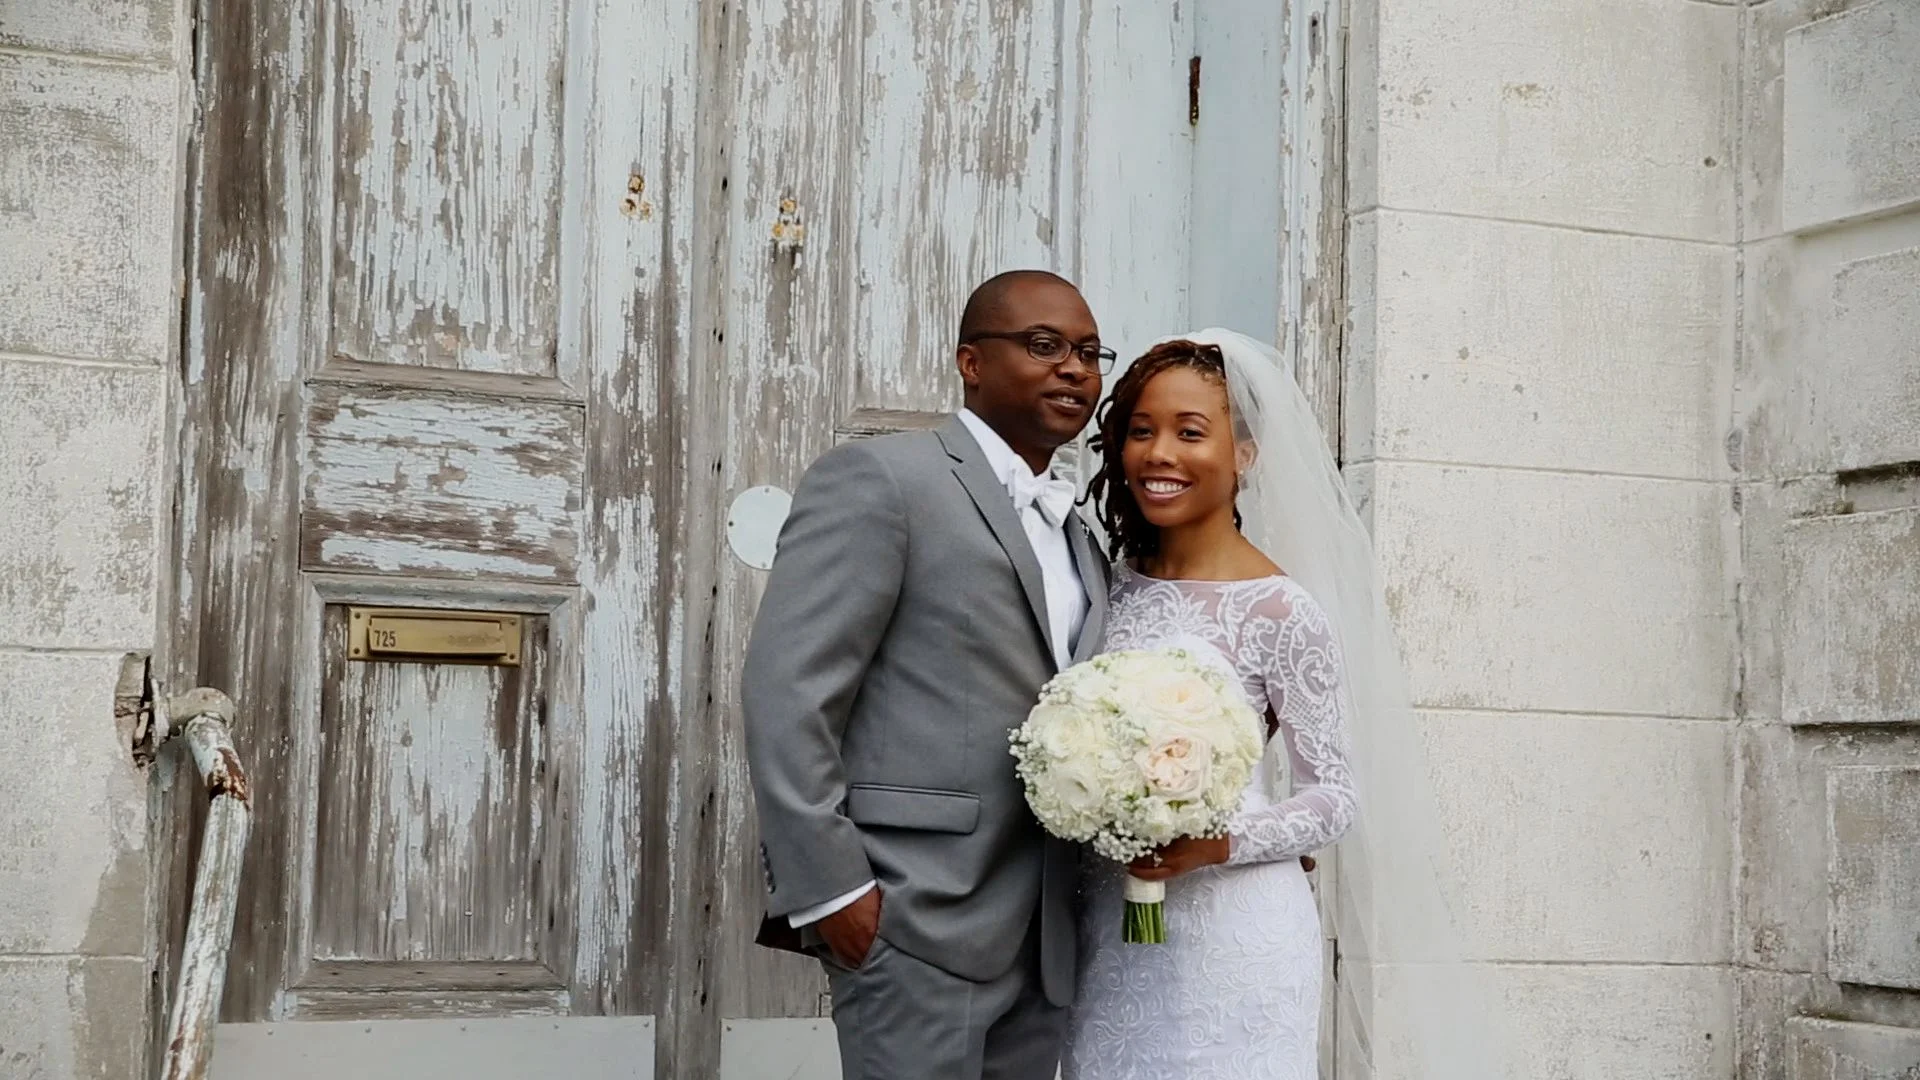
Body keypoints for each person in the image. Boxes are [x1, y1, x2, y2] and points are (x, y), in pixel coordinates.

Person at [1063, 330, 1495, 1078]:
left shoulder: (1281, 610)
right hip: (1108, 928)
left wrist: (1214, 843)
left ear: (1247, 455)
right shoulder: (1109, 586)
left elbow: (1333, 798)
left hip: (1232, 935)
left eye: (1190, 432)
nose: (1158, 453)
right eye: (1141, 430)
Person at [743, 270, 1115, 1080]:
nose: (1075, 370)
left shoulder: (1078, 532)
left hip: (1046, 933)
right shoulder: (885, 480)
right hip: (913, 920)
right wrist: (832, 892)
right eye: (1044, 345)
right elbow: (789, 691)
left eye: (1089, 353)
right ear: (970, 363)